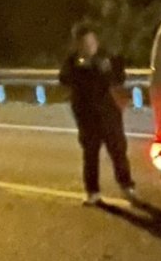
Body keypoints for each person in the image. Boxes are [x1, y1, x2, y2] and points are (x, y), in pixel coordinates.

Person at [58, 23, 137, 206]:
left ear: (96, 41)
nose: (88, 46)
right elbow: (63, 79)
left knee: (118, 151)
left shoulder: (106, 58)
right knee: (90, 155)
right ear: (77, 45)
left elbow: (120, 78)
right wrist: (79, 68)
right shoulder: (72, 62)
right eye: (83, 43)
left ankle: (126, 185)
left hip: (109, 114)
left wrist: (108, 69)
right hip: (86, 117)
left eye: (90, 42)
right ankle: (92, 192)